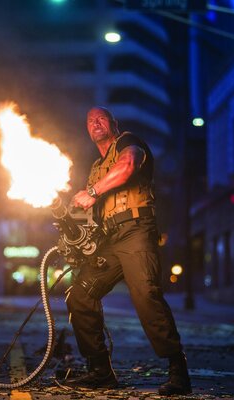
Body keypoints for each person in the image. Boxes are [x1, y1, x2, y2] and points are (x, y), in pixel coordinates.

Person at [64, 106, 191, 395]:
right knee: (80, 295)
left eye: (101, 118)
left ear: (113, 123)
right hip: (110, 239)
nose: (95, 123)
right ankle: (100, 371)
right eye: (89, 120)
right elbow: (91, 216)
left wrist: (92, 193)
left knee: (146, 294)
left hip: (136, 231)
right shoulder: (96, 168)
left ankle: (178, 370)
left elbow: (129, 166)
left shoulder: (128, 143)